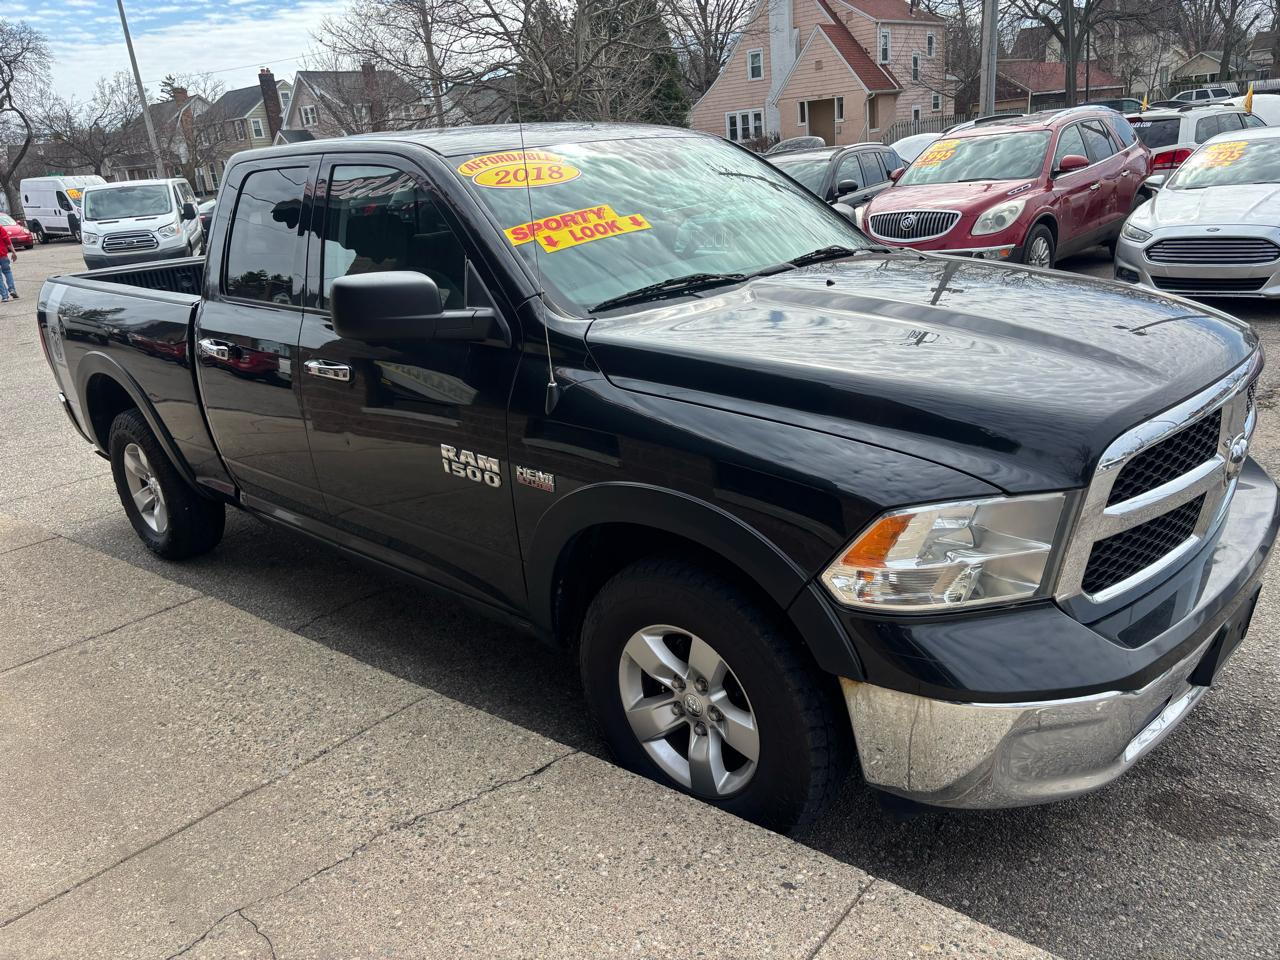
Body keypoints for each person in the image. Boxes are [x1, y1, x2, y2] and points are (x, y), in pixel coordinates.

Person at [0, 227, 17, 302]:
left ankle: (4, 296)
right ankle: (12, 289)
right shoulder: (0, 228)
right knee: (7, 272)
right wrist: (13, 252)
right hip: (3, 255)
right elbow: (7, 240)